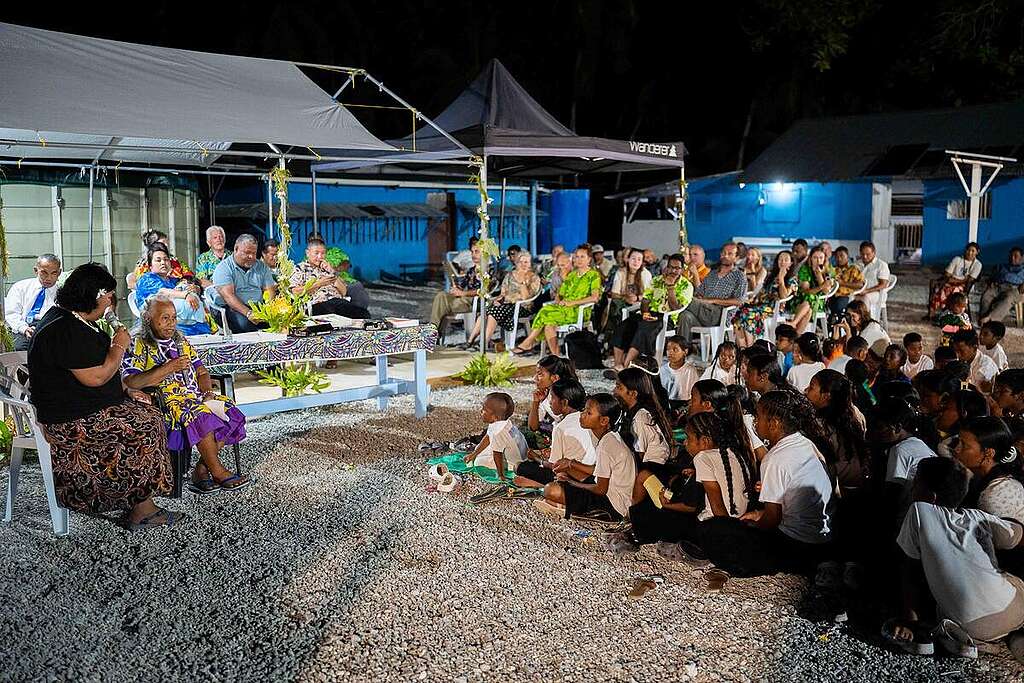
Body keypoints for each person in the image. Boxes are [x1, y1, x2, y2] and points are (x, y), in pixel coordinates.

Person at [27, 263, 177, 530]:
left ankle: (139, 501)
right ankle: (140, 509)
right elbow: (96, 377)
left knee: (149, 411)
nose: (111, 302)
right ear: (94, 296)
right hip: (69, 420)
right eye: (108, 296)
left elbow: (95, 374)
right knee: (144, 426)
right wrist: (119, 345)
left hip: (83, 406)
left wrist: (128, 389)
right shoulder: (63, 329)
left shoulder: (74, 319)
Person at [891, 457, 1024, 662]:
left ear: (931, 496)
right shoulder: (978, 517)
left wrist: (911, 621)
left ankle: (957, 635)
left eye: (916, 483)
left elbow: (909, 571)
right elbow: (1016, 535)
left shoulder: (918, 511)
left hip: (971, 624)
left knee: (941, 600)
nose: (912, 488)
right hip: (1012, 610)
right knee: (1013, 582)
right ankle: (1013, 636)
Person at [696, 390, 836, 578]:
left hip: (795, 543)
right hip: (822, 537)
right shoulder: (805, 443)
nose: (755, 421)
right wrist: (758, 514)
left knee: (713, 529)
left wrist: (755, 525)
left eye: (759, 416)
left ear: (774, 423)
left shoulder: (774, 459)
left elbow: (772, 520)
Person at [122, 296, 249, 493]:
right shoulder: (138, 343)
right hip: (166, 402)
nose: (171, 323)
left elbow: (202, 372)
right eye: (165, 318)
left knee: (230, 411)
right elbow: (131, 381)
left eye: (173, 318)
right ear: (148, 318)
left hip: (195, 397)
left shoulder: (180, 340)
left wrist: (207, 393)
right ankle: (217, 471)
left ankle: (201, 469)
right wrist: (168, 368)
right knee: (201, 416)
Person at [536, 393, 636, 522]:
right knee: (565, 475)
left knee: (550, 490)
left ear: (604, 421)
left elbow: (600, 489)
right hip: (613, 495)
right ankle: (563, 506)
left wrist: (573, 483)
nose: (582, 415)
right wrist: (571, 465)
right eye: (584, 410)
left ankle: (567, 508)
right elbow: (599, 472)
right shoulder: (609, 437)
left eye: (588, 413)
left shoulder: (607, 445)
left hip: (614, 505)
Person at [512, 245, 602, 357]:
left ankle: (529, 342)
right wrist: (558, 299)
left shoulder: (593, 275)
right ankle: (556, 356)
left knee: (545, 312)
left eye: (582, 257)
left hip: (578, 310)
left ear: (589, 259)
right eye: (577, 257)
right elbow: (560, 293)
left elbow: (595, 297)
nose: (578, 260)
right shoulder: (573, 275)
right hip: (563, 309)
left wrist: (571, 303)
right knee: (549, 325)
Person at [609, 253, 693, 371]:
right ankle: (618, 364)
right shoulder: (657, 280)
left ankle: (627, 366)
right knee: (624, 325)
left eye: (677, 268)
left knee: (645, 328)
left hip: (666, 318)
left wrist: (670, 287)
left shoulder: (687, 286)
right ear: (666, 267)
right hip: (649, 314)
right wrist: (645, 313)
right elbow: (645, 300)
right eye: (670, 267)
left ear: (682, 269)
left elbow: (675, 307)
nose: (673, 270)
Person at [515, 379, 595, 488]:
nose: (549, 402)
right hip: (592, 475)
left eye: (552, 397)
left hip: (572, 477)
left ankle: (538, 485)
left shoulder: (561, 427)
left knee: (519, 467)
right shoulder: (588, 419)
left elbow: (554, 466)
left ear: (564, 403)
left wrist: (537, 458)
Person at [806, 370, 869, 492]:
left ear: (826, 395)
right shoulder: (855, 413)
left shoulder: (819, 424)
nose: (806, 390)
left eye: (811, 387)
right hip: (856, 481)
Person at [675, 243, 747, 351]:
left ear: (736, 257)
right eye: (723, 253)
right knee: (685, 316)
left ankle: (665, 315)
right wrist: (695, 275)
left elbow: (739, 301)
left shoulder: (739, 276)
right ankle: (684, 351)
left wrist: (712, 301)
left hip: (719, 315)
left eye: (730, 254)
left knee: (686, 299)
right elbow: (700, 292)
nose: (725, 256)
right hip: (703, 311)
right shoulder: (712, 274)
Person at [465, 249, 541, 349]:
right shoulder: (509, 275)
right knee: (485, 311)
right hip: (506, 305)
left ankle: (483, 343)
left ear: (530, 264)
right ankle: (471, 340)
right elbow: (503, 293)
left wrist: (523, 282)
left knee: (493, 313)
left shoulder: (534, 278)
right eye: (521, 262)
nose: (523, 264)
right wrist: (498, 300)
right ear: (517, 263)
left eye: (526, 262)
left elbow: (526, 298)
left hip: (523, 307)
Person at [957, 417, 1024, 527]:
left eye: (964, 445)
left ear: (989, 453)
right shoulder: (979, 475)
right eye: (958, 441)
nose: (957, 449)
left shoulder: (995, 496)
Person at [135, 244, 211, 335]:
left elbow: (188, 287)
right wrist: (186, 295)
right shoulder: (146, 279)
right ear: (150, 266)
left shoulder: (174, 280)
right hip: (159, 324)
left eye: (166, 259)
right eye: (158, 260)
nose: (163, 263)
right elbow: (163, 292)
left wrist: (196, 289)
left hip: (185, 322)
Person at [289, 238, 370, 320]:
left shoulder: (326, 267)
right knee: (334, 309)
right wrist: (319, 284)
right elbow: (295, 292)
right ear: (307, 253)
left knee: (364, 314)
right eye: (316, 253)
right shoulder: (299, 269)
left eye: (323, 253)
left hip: (337, 302)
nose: (320, 257)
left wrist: (333, 273)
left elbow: (344, 292)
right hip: (317, 304)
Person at [211, 234, 278, 333]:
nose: (251, 256)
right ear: (236, 249)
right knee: (245, 325)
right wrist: (248, 313)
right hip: (232, 308)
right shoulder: (224, 268)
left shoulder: (262, 267)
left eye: (254, 253)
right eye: (247, 253)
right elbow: (229, 297)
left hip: (258, 307)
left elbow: (270, 290)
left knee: (280, 321)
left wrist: (268, 309)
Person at [733, 250, 796, 349]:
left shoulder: (792, 279)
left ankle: (751, 347)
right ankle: (742, 346)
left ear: (791, 263)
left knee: (748, 313)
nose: (782, 262)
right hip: (761, 305)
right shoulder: (771, 276)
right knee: (737, 312)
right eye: (780, 259)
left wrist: (781, 278)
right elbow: (762, 292)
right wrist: (752, 299)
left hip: (774, 308)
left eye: (786, 260)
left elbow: (783, 296)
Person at [612, 368, 674, 467]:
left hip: (652, 469)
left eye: (619, 387)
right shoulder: (632, 411)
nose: (614, 391)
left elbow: (640, 455)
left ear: (633, 393)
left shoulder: (641, 417)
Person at [463, 392, 528, 479]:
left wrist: (500, 475)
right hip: (518, 455)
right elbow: (488, 436)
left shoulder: (499, 433)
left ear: (495, 417)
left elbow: (497, 454)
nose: (481, 411)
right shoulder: (502, 422)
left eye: (484, 410)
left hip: (515, 464)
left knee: (478, 462)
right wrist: (474, 453)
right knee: (479, 449)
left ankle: (503, 471)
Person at [4, 253, 61, 351]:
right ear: (36, 270)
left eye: (54, 273)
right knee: (19, 350)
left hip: (50, 330)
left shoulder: (62, 293)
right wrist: (24, 329)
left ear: (59, 272)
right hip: (23, 327)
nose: (49, 278)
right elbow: (11, 313)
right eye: (44, 273)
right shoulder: (20, 287)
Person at [432, 241, 483, 341]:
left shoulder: (488, 270)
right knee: (441, 295)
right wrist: (456, 288)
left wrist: (462, 293)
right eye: (472, 252)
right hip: (464, 299)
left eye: (476, 252)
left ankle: (434, 333)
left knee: (442, 306)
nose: (473, 255)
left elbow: (483, 290)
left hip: (474, 301)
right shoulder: (471, 271)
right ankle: (433, 331)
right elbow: (462, 286)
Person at [602, 248, 652, 338]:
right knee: (615, 303)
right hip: (623, 302)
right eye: (633, 258)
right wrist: (625, 298)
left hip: (640, 304)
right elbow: (614, 293)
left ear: (642, 262)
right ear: (628, 259)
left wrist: (637, 298)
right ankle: (612, 336)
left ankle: (618, 337)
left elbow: (648, 296)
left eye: (639, 259)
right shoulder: (621, 272)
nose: (636, 262)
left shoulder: (645, 274)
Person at [927, 242, 982, 319]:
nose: (970, 253)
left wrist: (954, 280)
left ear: (977, 252)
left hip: (964, 286)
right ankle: (933, 314)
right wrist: (954, 280)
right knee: (940, 289)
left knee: (953, 290)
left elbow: (970, 279)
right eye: (968, 250)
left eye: (973, 251)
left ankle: (950, 315)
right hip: (949, 282)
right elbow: (947, 274)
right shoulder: (957, 259)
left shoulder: (977, 264)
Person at [127, 230, 195, 290]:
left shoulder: (175, 260)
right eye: (163, 243)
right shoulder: (144, 264)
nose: (167, 245)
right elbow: (143, 285)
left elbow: (189, 275)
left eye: (166, 259)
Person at [791, 246, 834, 334]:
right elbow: (806, 291)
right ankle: (797, 336)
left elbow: (826, 292)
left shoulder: (828, 270)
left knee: (810, 301)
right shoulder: (805, 269)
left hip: (820, 302)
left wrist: (819, 275)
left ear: (824, 259)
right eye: (815, 258)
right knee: (809, 304)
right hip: (801, 299)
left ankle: (794, 324)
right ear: (810, 259)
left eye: (821, 258)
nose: (818, 261)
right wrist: (822, 286)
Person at [980, 246, 1024, 324]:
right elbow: (993, 276)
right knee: (987, 295)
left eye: (1015, 256)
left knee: (1008, 298)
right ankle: (983, 317)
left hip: (1015, 289)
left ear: (1022, 258)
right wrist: (991, 281)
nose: (1012, 258)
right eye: (1011, 256)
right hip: (999, 287)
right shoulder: (1002, 266)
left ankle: (991, 320)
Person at [951, 329, 999, 393]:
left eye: (961, 351)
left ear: (974, 347)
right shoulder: (963, 361)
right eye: (955, 351)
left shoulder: (984, 368)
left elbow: (976, 392)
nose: (957, 355)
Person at [660, 336, 702, 404]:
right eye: (668, 349)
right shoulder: (663, 369)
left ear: (685, 351)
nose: (670, 352)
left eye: (675, 349)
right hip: (666, 403)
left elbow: (695, 391)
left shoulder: (690, 370)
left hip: (685, 404)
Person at [854, 241, 891, 314]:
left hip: (877, 293)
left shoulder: (881, 265)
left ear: (874, 253)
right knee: (847, 297)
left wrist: (867, 291)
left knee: (864, 298)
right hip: (859, 291)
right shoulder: (857, 264)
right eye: (862, 254)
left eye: (868, 254)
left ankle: (866, 321)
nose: (865, 256)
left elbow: (883, 284)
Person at [829, 246, 865, 322]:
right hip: (832, 295)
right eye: (837, 256)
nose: (839, 258)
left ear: (847, 256)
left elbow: (860, 285)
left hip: (845, 295)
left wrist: (843, 283)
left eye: (841, 256)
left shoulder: (853, 269)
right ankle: (830, 326)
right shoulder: (834, 270)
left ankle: (837, 325)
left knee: (839, 307)